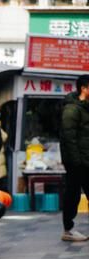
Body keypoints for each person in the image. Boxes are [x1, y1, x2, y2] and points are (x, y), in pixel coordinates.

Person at [60, 75, 89, 242]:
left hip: (86, 159)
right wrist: (76, 162)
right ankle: (68, 229)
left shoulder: (85, 108)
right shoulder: (71, 109)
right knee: (73, 195)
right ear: (84, 88)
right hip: (77, 162)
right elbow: (68, 138)